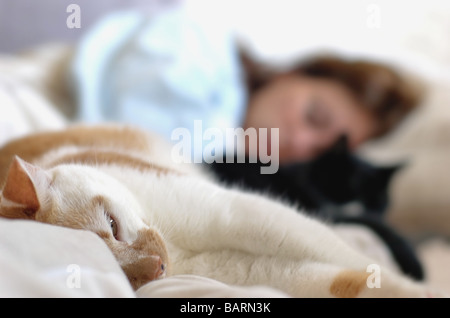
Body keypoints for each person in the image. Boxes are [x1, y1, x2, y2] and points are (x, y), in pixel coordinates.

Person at [71, 5, 423, 165]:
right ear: (294, 73)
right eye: (314, 117)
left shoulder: (250, 167)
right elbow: (134, 114)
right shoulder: (199, 42)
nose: (300, 143)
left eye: (319, 151)